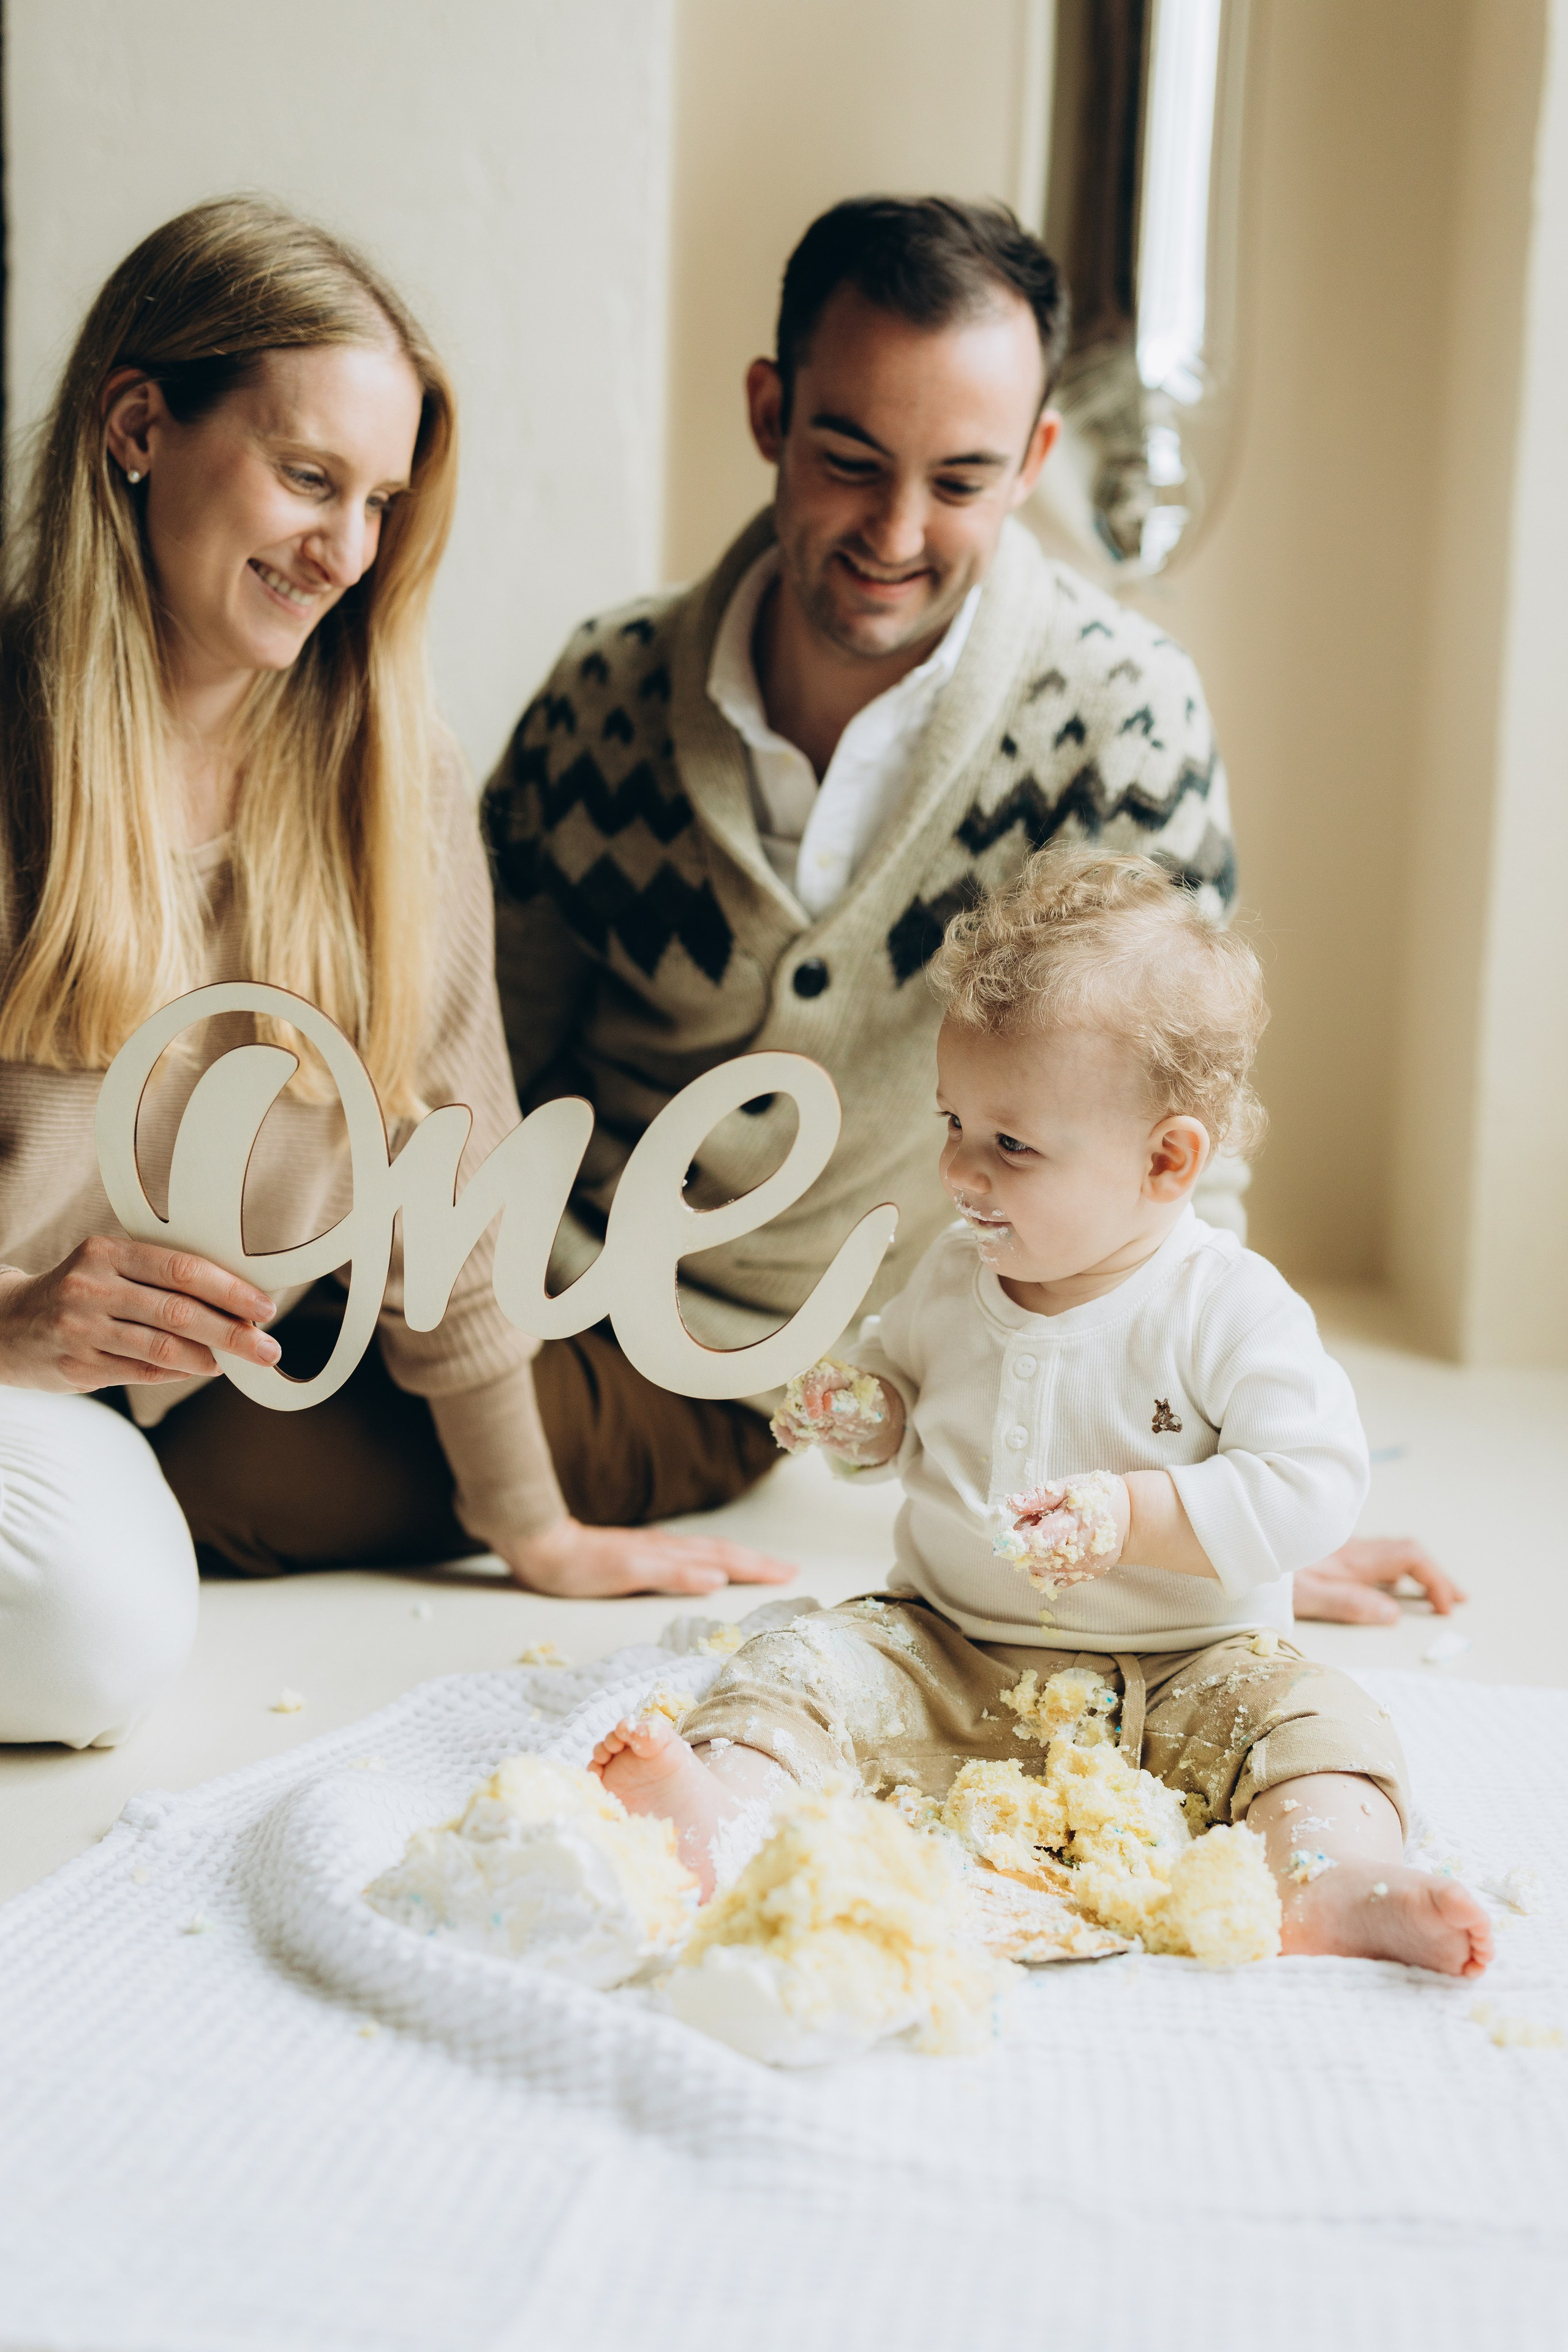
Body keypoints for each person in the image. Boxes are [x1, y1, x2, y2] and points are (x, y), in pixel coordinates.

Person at [484, 194, 1456, 1627]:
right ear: (768, 411)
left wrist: (1212, 1503)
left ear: (1035, 462)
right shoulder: (605, 691)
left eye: (959, 479)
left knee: (257, 1483)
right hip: (552, 1285)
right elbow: (481, 1052)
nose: (893, 531)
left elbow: (1166, 1120)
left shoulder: (1116, 713)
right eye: (848, 459)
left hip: (804, 1354)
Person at [0, 198, 788, 1751]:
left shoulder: (389, 787)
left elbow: (457, 1179)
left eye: (378, 500)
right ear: (138, 424)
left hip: (47, 1426)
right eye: (307, 478)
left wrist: (533, 1529)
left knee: (95, 1639)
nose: (344, 549)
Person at [590, 848, 1491, 1979]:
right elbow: (904, 1403)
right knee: (802, 1660)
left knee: (1321, 1725)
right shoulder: (951, 1274)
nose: (962, 1171)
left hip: (1187, 1668)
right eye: (953, 1122)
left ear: (1168, 1161)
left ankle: (1327, 1873)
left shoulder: (1227, 1307)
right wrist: (863, 1417)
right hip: (947, 1648)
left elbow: (1314, 1484)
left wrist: (1139, 1516)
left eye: (1011, 1145)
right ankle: (722, 1812)